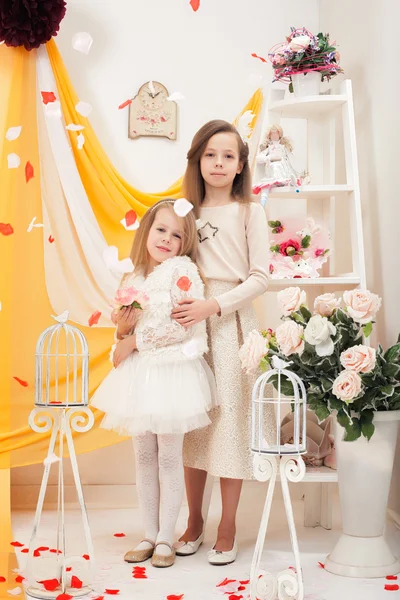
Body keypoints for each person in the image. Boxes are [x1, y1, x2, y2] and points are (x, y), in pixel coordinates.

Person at [91, 199, 216, 568]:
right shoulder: (134, 277)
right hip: (140, 376)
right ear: (147, 230)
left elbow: (183, 324)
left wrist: (133, 342)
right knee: (143, 456)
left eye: (176, 235)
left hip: (171, 374)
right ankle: (148, 533)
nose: (166, 239)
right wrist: (123, 330)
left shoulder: (183, 272)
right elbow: (130, 326)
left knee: (168, 456)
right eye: (160, 230)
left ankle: (166, 537)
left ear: (184, 243)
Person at [171, 120, 274, 565]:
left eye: (227, 156)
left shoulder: (250, 211)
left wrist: (215, 307)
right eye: (210, 154)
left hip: (231, 325)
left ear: (240, 165)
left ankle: (227, 524)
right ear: (198, 159)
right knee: (195, 424)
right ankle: (194, 519)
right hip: (188, 326)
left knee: (231, 424)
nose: (218, 163)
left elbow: (261, 277)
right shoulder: (183, 212)